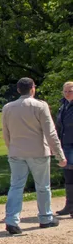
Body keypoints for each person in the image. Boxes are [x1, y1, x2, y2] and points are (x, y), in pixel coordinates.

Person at [1, 78, 68, 235]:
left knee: (16, 186)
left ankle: (12, 220)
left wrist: (11, 147)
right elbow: (50, 132)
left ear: (18, 90)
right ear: (32, 88)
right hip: (38, 152)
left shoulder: (8, 107)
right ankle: (45, 218)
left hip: (16, 152)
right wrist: (59, 154)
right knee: (43, 187)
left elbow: (6, 132)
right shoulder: (41, 106)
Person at [55, 81, 73, 216]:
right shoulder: (63, 106)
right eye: (65, 91)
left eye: (70, 91)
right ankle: (70, 205)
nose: (67, 93)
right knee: (68, 174)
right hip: (66, 144)